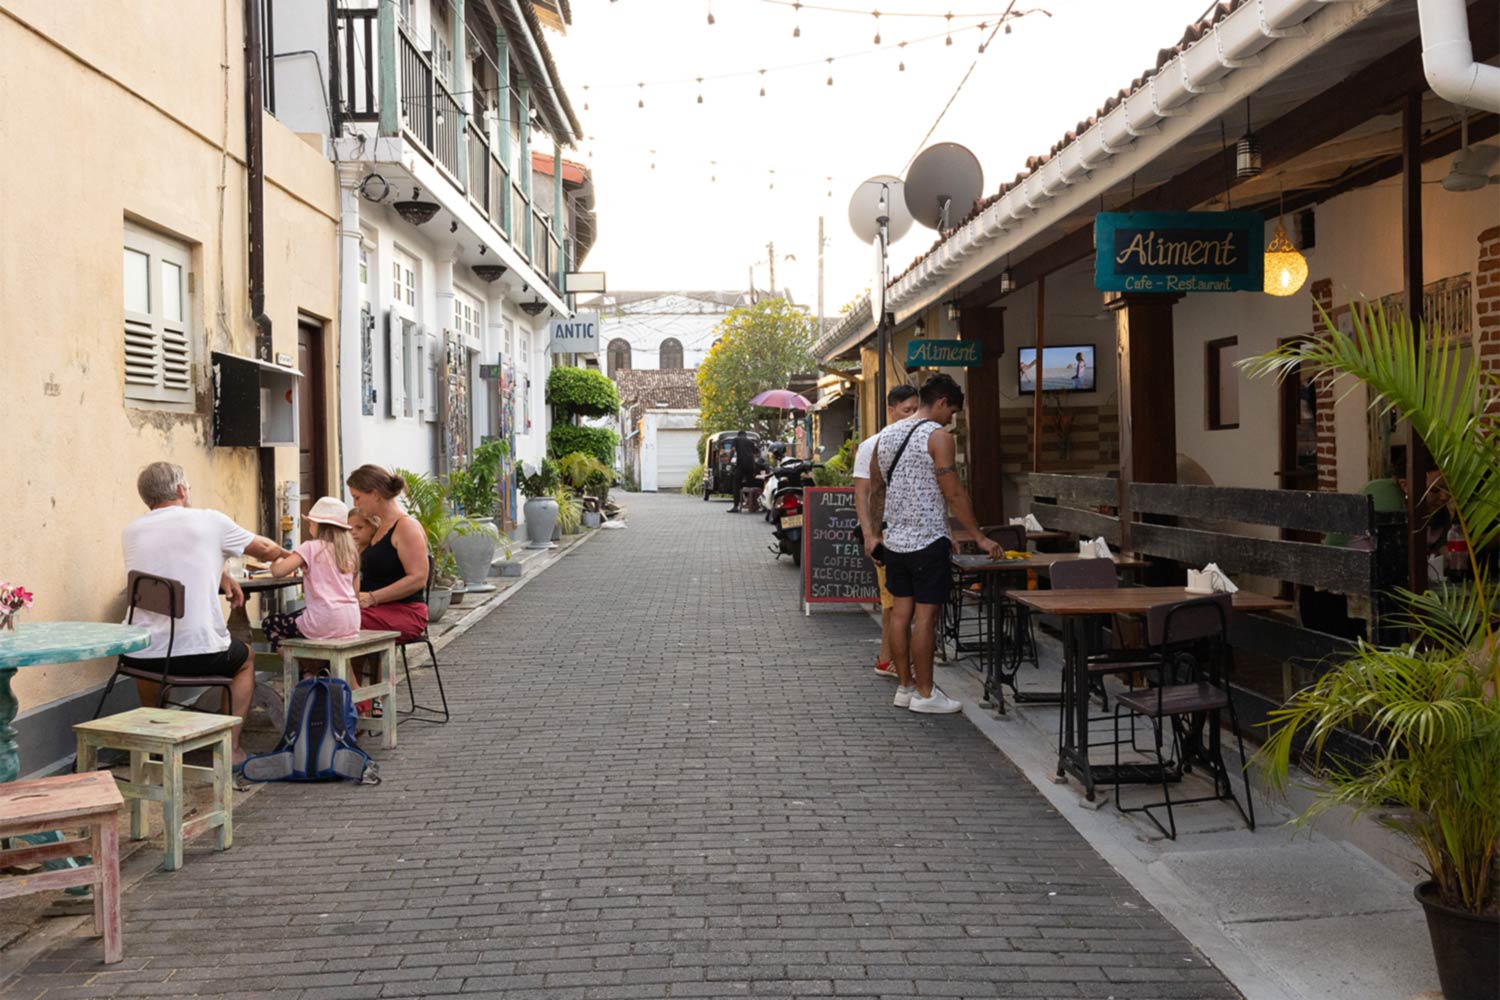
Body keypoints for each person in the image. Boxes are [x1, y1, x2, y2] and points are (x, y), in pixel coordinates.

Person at [119, 461, 290, 764]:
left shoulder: (131, 531)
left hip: (138, 657)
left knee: (152, 647)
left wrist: (220, 574)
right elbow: (264, 549)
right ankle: (231, 750)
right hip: (198, 655)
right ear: (181, 489)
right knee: (245, 659)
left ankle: (156, 741)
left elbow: (171, 563)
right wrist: (289, 555)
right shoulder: (210, 520)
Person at [859, 374, 999, 713]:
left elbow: (876, 489)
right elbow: (953, 493)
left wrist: (874, 535)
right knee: (926, 618)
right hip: (927, 541)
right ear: (941, 402)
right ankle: (925, 693)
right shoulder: (938, 437)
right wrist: (979, 536)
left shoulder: (885, 436)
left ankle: (905, 687)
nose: (951, 419)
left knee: (899, 615)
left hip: (895, 542)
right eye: (952, 411)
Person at [852, 384, 920, 679]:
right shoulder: (872, 445)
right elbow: (862, 493)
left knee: (900, 602)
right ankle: (891, 661)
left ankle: (887, 658)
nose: (912, 416)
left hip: (914, 533)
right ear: (891, 410)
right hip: (887, 534)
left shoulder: (922, 440)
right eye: (906, 410)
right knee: (893, 602)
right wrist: (870, 535)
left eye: (916, 410)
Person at [261, 497, 361, 650]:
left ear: (318, 525)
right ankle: (312, 663)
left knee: (270, 624)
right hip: (351, 621)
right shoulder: (351, 552)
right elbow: (356, 592)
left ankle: (298, 663)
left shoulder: (310, 547)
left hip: (323, 621)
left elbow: (278, 571)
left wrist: (276, 558)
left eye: (310, 522)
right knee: (300, 617)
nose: (309, 525)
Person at [346, 464, 430, 641]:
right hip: (374, 610)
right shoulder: (377, 527)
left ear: (375, 494)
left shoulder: (406, 527)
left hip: (404, 612)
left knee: (334, 622)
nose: (355, 504)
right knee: (317, 618)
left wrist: (373, 597)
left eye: (357, 497)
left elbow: (418, 578)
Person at [727, 430, 758, 512]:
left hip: (741, 464)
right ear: (745, 435)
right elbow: (754, 455)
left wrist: (729, 461)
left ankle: (735, 506)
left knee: (736, 484)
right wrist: (754, 466)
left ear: (738, 435)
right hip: (751, 465)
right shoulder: (750, 442)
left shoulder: (736, 439)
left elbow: (733, 450)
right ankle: (752, 505)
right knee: (750, 485)